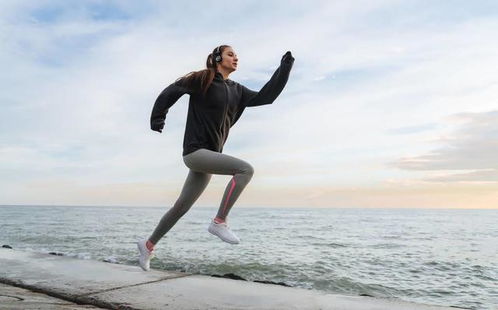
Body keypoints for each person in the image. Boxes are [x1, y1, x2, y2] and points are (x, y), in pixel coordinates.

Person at [137, 44, 295, 271]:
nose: (235, 58)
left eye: (237, 55)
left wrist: (285, 67)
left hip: (210, 156)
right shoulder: (203, 78)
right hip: (195, 152)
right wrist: (158, 118)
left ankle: (148, 245)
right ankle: (219, 221)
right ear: (218, 57)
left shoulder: (237, 90)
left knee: (181, 207)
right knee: (245, 170)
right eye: (231, 54)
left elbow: (266, 96)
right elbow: (170, 91)